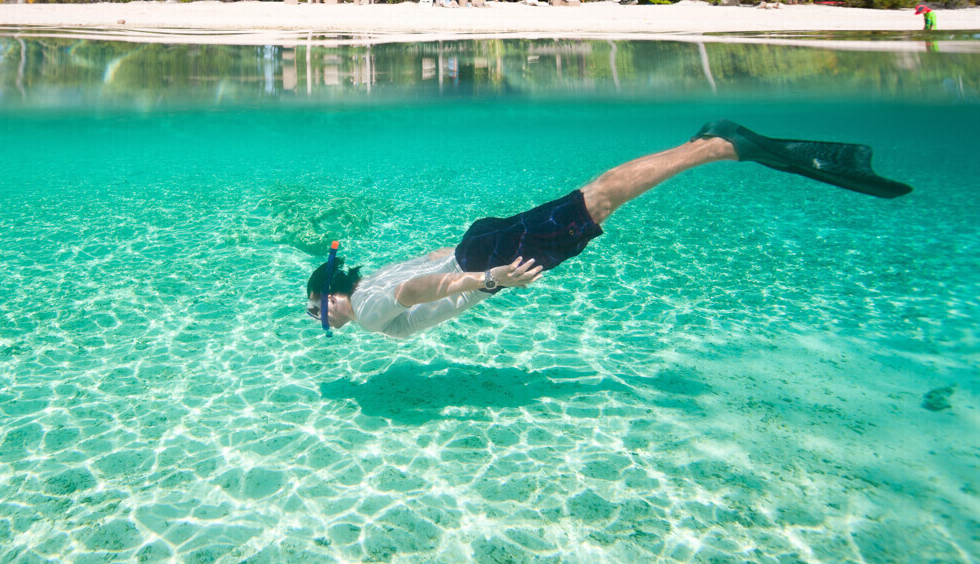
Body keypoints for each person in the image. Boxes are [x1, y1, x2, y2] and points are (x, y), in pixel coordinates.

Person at [304, 120, 912, 340]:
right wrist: (478, 258)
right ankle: (706, 143)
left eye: (316, 310)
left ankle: (722, 145)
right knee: (592, 200)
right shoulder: (367, 283)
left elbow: (417, 291)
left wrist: (489, 278)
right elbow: (425, 266)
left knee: (596, 201)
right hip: (474, 244)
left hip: (484, 259)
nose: (321, 319)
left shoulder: (371, 305)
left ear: (332, 294)